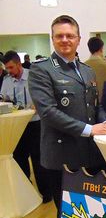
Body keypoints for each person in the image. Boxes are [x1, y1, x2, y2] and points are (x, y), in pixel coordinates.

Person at [28, 15, 106, 217]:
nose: (65, 40)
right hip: (62, 157)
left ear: (78, 39)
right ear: (53, 39)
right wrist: (89, 130)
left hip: (90, 155)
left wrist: (105, 121)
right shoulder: (41, 70)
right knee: (70, 212)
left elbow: (96, 105)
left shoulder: (87, 71)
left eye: (70, 35)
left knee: (94, 210)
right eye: (59, 36)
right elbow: (48, 113)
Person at [1, 50, 52, 203]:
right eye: (7, 68)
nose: (9, 71)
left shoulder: (34, 77)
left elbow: (46, 96)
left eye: (11, 67)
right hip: (16, 126)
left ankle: (46, 193)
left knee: (38, 159)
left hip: (35, 124)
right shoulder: (7, 80)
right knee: (19, 158)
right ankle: (26, 191)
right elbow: (4, 99)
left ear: (19, 64)